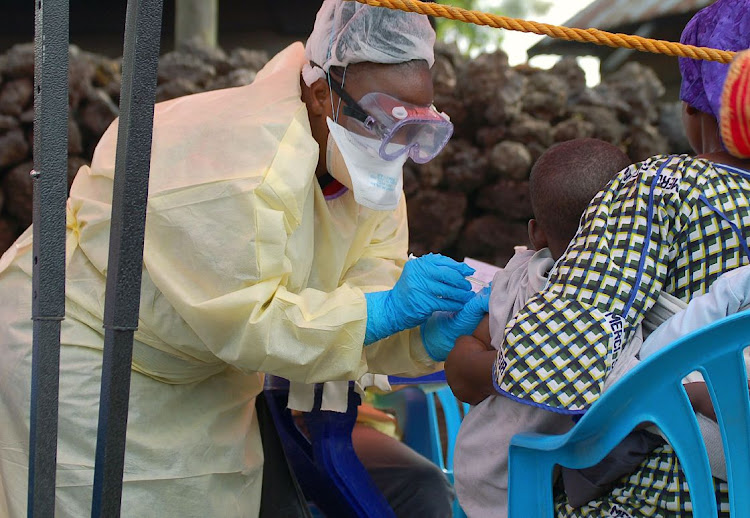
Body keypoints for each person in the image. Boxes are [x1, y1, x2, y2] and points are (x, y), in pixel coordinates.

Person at [0, 2, 489, 516]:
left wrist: (414, 336)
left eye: (415, 128)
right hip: (84, 348)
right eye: (388, 122)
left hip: (205, 370)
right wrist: (381, 312)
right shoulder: (241, 162)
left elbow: (353, 302)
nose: (400, 147)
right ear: (324, 95)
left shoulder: (366, 162)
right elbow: (256, 323)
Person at [445, 0, 750, 515]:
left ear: (694, 108)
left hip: (669, 490)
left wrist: (479, 362)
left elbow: (567, 345)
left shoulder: (661, 188)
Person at [446, 138, 632, 518]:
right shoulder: (638, 291)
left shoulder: (523, 281)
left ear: (536, 233)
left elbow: (461, 373)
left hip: (493, 472)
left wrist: (513, 366)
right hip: (592, 484)